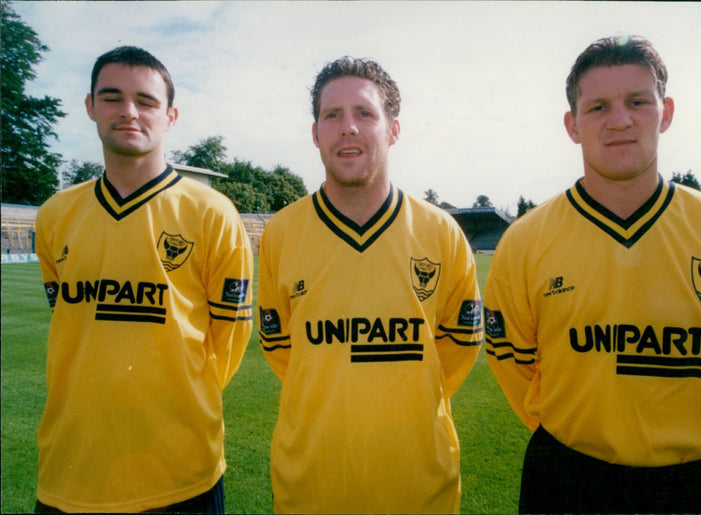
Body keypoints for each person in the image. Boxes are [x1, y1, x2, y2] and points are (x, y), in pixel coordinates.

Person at [484, 35, 701, 514]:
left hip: (694, 484)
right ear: (572, 125)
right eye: (597, 107)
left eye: (637, 101)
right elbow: (514, 364)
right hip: (566, 480)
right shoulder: (526, 240)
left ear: (666, 112)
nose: (619, 120)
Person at [257, 56, 483, 513]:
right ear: (315, 132)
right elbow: (282, 348)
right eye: (332, 115)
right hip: (309, 488)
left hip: (420, 487)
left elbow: (457, 350)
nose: (348, 128)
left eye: (364, 113)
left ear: (392, 129)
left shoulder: (441, 232)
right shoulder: (282, 232)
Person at [34, 46, 253, 513]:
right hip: (70, 470)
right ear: (90, 106)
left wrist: (177, 399)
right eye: (112, 97)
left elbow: (229, 340)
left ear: (170, 115)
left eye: (146, 101)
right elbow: (72, 322)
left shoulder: (212, 214)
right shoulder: (55, 215)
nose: (129, 112)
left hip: (181, 472)